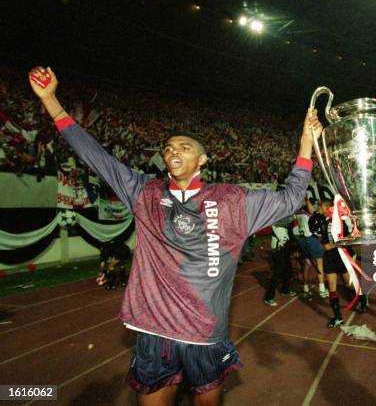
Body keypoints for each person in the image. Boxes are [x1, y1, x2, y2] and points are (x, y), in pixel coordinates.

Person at [28, 66, 322, 406]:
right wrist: (51, 101)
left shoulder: (232, 200)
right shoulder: (144, 192)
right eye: (167, 148)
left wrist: (305, 145)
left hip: (204, 335)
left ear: (202, 159)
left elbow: (290, 198)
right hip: (155, 332)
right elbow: (95, 156)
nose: (173, 151)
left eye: (183, 146)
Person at [309, 200, 366, 327]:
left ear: (329, 208)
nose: (320, 208)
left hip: (340, 256)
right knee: (332, 287)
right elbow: (312, 212)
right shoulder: (322, 220)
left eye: (322, 206)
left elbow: (348, 239)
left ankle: (362, 299)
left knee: (349, 284)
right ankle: (338, 317)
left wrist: (332, 245)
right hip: (329, 258)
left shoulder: (339, 222)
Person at [295, 197, 328, 299]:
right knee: (319, 265)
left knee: (306, 265)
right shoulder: (311, 214)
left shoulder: (298, 213)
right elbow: (313, 211)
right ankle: (322, 290)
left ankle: (305, 290)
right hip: (311, 240)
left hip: (301, 240)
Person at [263, 217, 299, 306]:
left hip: (284, 250)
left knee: (288, 271)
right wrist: (293, 217)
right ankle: (268, 297)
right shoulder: (276, 223)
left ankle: (285, 290)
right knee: (277, 274)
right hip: (278, 251)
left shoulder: (286, 226)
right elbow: (285, 222)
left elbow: (291, 236)